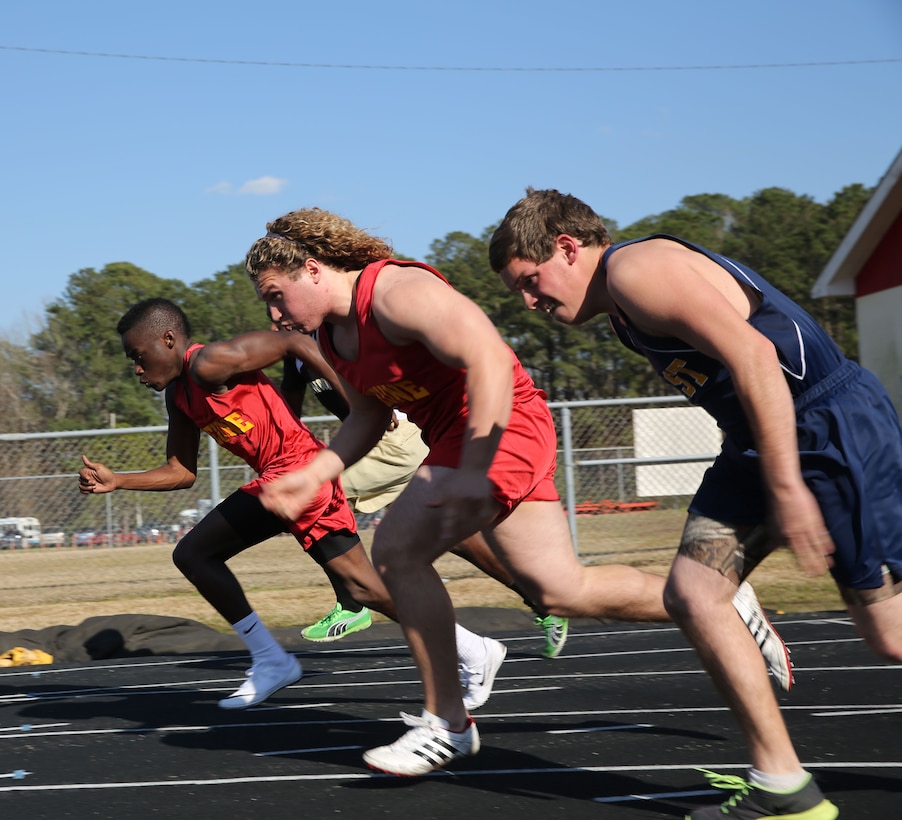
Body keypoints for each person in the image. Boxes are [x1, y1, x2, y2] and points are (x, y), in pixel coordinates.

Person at [242, 208, 791, 778]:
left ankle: (447, 723)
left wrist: (476, 465)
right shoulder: (331, 336)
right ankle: (722, 601)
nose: (274, 313)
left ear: (311, 269)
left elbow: (488, 358)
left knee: (397, 552)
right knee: (560, 589)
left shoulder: (397, 291)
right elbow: (368, 416)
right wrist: (315, 473)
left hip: (500, 423)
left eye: (276, 296)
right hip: (459, 437)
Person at [489, 188, 902, 819]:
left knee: (889, 634)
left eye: (531, 280)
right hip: (759, 442)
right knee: (693, 593)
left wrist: (788, 486)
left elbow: (757, 355)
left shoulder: (635, 272)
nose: (530, 302)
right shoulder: (623, 311)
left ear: (567, 248)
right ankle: (784, 788)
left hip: (826, 430)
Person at [77, 298, 506, 712]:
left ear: (168, 339)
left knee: (194, 553)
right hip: (290, 483)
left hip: (298, 472)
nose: (136, 368)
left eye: (138, 355)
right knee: (363, 589)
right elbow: (181, 471)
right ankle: (474, 649)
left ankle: (271, 660)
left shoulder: (209, 363)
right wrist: (119, 481)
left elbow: (296, 344)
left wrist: (361, 405)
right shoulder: (179, 397)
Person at [277, 328, 570, 659]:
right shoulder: (295, 352)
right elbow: (288, 416)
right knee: (460, 539)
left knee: (310, 497)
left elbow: (374, 411)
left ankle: (353, 601)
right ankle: (541, 599)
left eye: (280, 300)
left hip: (398, 439)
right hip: (384, 445)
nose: (277, 319)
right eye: (270, 308)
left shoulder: (341, 336)